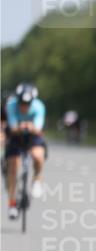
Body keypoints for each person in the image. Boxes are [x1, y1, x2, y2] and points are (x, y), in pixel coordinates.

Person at [5, 83, 48, 220]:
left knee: (38, 155)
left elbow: (38, 128)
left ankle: (37, 179)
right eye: (21, 103)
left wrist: (30, 127)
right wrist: (19, 127)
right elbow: (12, 127)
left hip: (33, 136)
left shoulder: (39, 107)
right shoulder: (11, 105)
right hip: (16, 136)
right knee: (13, 166)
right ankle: (12, 205)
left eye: (27, 104)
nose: (24, 106)